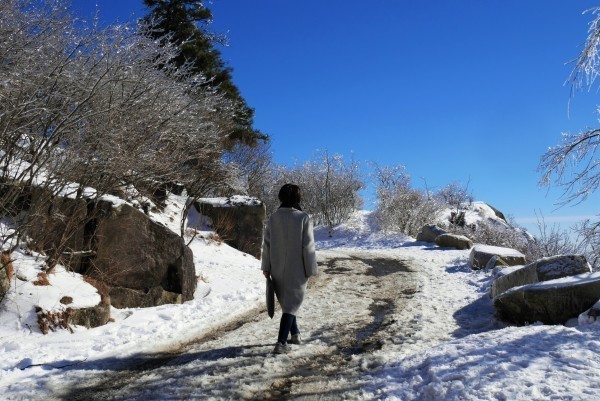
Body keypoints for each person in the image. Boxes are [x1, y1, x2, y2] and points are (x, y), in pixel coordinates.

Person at [261, 183, 318, 354]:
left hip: (277, 267)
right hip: (297, 269)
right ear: (297, 198)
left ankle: (295, 334)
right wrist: (310, 269)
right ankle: (280, 343)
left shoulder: (273, 218)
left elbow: (267, 245)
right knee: (292, 303)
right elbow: (308, 246)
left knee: (288, 303)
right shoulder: (303, 218)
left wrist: (266, 267)